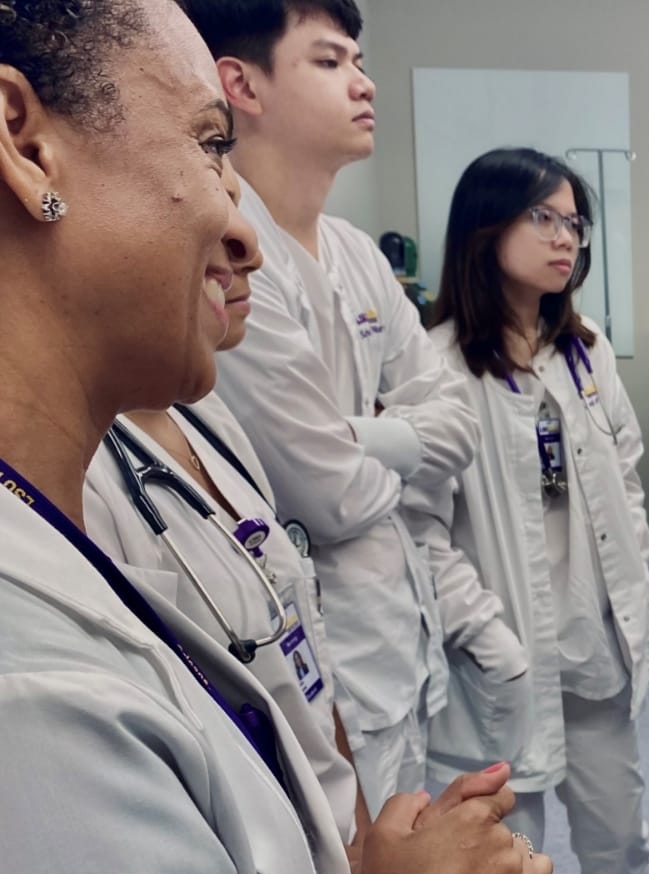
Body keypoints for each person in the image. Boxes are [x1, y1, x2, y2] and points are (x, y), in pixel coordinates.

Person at [0, 1, 555, 874]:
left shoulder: (182, 424)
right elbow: (337, 493)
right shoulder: (35, 690)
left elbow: (287, 656)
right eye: (210, 142)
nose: (244, 234)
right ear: (26, 143)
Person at [186, 0, 479, 808]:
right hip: (312, 659)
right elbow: (334, 496)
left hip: (396, 641)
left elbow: (457, 420)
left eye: (358, 59)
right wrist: (396, 454)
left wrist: (353, 439)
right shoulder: (233, 255)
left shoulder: (355, 251)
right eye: (330, 61)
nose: (364, 82)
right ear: (240, 83)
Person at [406, 147, 649, 874]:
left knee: (622, 853)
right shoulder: (437, 367)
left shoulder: (585, 351)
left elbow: (624, 480)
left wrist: (642, 595)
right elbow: (420, 530)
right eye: (543, 218)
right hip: (500, 672)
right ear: (486, 229)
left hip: (595, 654)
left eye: (575, 224)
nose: (567, 240)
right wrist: (492, 640)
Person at [83, 158, 372, 846]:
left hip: (330, 851)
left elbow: (302, 660)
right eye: (207, 177)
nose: (248, 244)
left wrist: (369, 853)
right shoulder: (74, 487)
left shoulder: (205, 417)